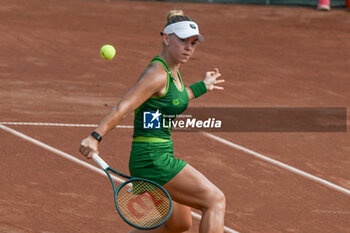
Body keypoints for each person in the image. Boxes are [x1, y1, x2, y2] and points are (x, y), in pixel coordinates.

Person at [79, 9, 226, 233]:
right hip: (153, 159)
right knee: (215, 200)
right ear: (166, 39)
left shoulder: (172, 70)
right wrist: (95, 136)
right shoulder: (157, 73)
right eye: (184, 41)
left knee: (178, 224)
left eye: (194, 43)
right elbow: (124, 106)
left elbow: (175, 98)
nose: (189, 48)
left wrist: (202, 86)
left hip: (156, 156)